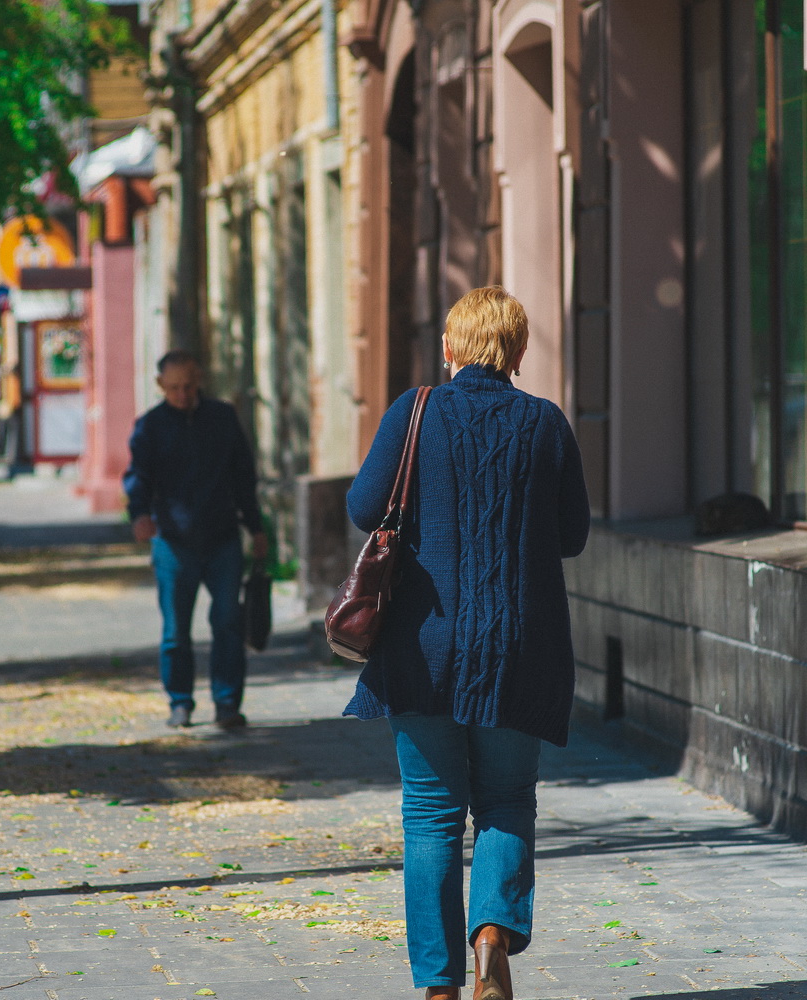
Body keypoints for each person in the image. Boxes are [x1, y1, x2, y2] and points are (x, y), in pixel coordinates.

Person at [342, 287, 590, 1000]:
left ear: (450, 349)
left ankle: (440, 985)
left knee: (430, 812)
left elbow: (364, 507)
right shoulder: (546, 424)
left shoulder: (415, 412)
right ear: (517, 352)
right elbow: (572, 536)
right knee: (508, 798)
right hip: (522, 645)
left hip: (424, 650)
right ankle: (492, 938)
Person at [124, 351, 268, 729]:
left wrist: (256, 527)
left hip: (222, 538)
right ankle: (180, 702)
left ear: (199, 378)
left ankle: (226, 705)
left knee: (227, 622)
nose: (183, 394)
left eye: (188, 386)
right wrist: (139, 515)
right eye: (174, 388)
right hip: (172, 542)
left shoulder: (222, 417)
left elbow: (243, 477)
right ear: (160, 386)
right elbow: (138, 478)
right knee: (175, 631)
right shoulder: (149, 427)